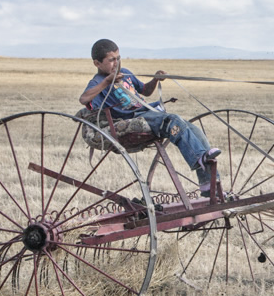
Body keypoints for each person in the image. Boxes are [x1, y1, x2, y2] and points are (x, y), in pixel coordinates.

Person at [80, 39, 220, 193]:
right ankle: (198, 157)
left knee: (193, 129)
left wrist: (155, 80)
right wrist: (107, 82)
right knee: (172, 120)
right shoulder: (97, 82)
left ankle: (208, 184)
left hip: (147, 111)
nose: (116, 63)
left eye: (118, 58)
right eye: (111, 60)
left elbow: (145, 91)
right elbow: (84, 99)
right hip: (132, 118)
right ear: (97, 63)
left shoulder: (125, 73)